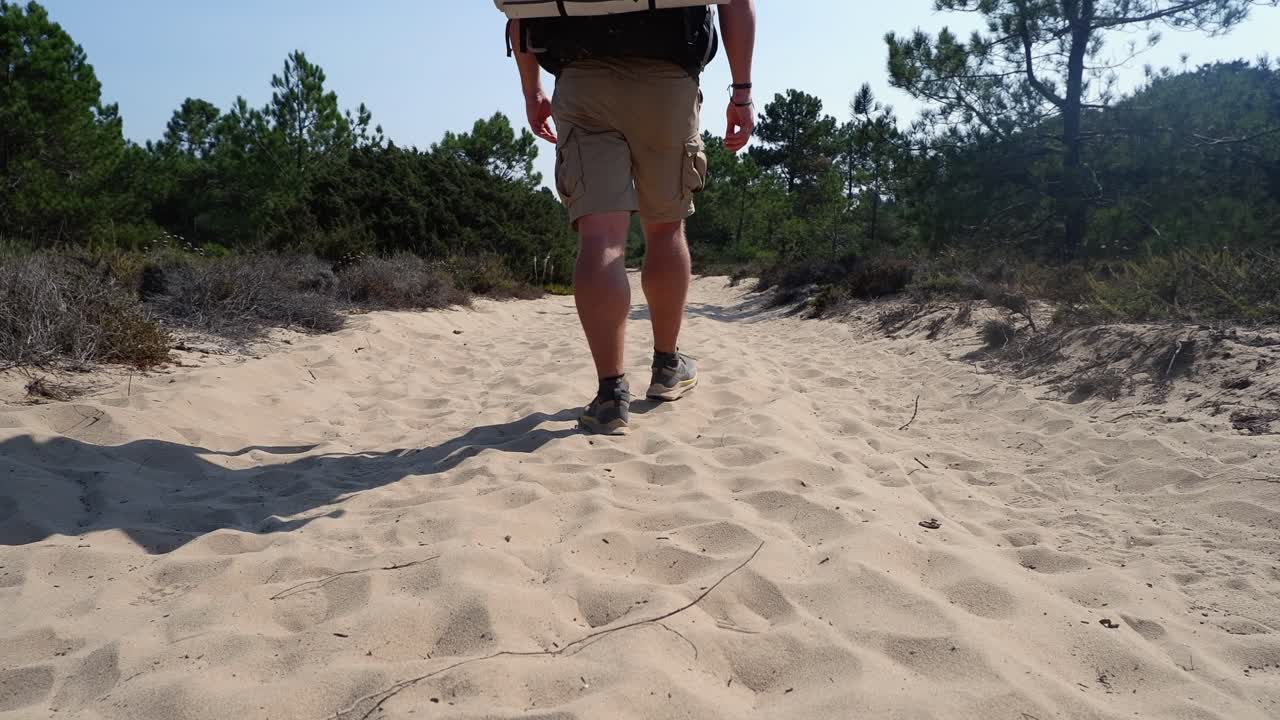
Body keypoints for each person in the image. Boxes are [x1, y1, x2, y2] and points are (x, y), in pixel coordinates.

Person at [507, 0, 757, 436]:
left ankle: (610, 397)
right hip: (667, 81)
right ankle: (667, 366)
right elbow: (736, 2)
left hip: (582, 80)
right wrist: (742, 93)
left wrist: (532, 91)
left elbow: (520, 10)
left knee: (600, 237)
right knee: (666, 228)